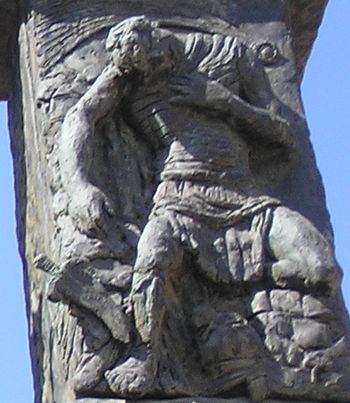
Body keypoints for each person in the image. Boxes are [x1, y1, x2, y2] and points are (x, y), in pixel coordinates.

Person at [59, 16, 341, 396]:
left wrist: (221, 101)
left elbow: (284, 134)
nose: (151, 74)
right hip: (178, 200)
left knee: (322, 268)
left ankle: (260, 289)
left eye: (156, 62)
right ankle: (145, 354)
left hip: (246, 197)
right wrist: (79, 187)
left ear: (160, 37)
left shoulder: (231, 52)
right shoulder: (131, 72)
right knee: (152, 260)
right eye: (141, 70)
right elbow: (81, 116)